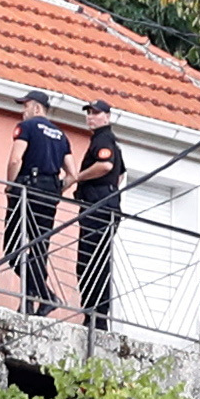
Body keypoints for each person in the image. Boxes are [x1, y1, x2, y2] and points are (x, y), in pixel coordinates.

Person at [5, 89, 66, 315]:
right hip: (50, 194)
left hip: (27, 190)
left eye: (26, 106)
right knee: (38, 249)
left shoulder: (28, 128)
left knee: (13, 248)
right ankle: (30, 302)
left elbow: (15, 159)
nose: (23, 111)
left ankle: (46, 295)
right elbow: (71, 173)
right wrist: (58, 188)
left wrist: (10, 186)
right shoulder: (61, 136)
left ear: (37, 108)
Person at [70, 100, 127, 326]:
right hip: (105, 204)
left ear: (107, 116)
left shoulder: (103, 139)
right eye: (89, 113)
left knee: (89, 261)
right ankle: (96, 316)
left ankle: (95, 317)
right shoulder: (111, 141)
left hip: (99, 206)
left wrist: (78, 177)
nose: (90, 117)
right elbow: (120, 175)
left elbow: (106, 166)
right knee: (97, 261)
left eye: (95, 113)